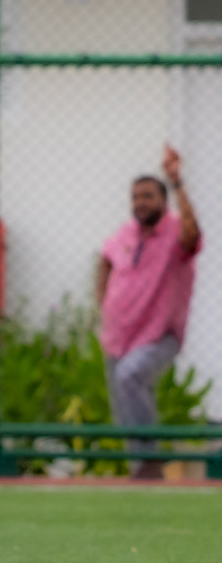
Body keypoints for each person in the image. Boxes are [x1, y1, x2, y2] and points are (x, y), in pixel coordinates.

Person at [96, 145, 203, 480]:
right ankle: (141, 470)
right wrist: (103, 303)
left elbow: (193, 234)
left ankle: (151, 460)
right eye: (136, 197)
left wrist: (177, 181)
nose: (140, 203)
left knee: (131, 375)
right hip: (118, 335)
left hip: (159, 334)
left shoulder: (174, 231)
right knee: (123, 404)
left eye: (148, 196)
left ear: (163, 200)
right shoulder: (124, 234)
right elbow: (104, 261)